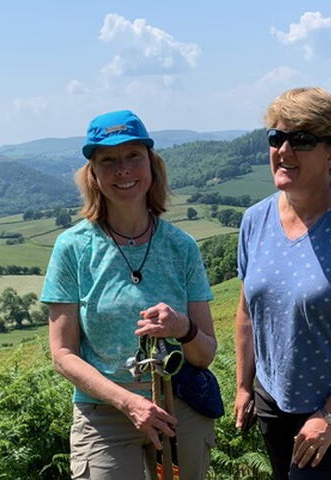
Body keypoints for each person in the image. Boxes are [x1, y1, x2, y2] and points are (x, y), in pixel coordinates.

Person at [40, 109, 217, 480]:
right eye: (108, 160)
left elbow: (205, 353)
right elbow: (62, 354)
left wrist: (182, 328)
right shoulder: (72, 248)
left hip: (179, 406)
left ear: (151, 164)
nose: (123, 170)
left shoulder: (181, 247)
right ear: (94, 174)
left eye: (133, 156)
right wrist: (128, 402)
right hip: (105, 413)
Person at [234, 87, 331, 479]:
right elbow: (246, 312)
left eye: (301, 140)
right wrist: (244, 386)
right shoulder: (255, 220)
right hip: (272, 400)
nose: (284, 150)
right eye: (277, 137)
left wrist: (328, 414)